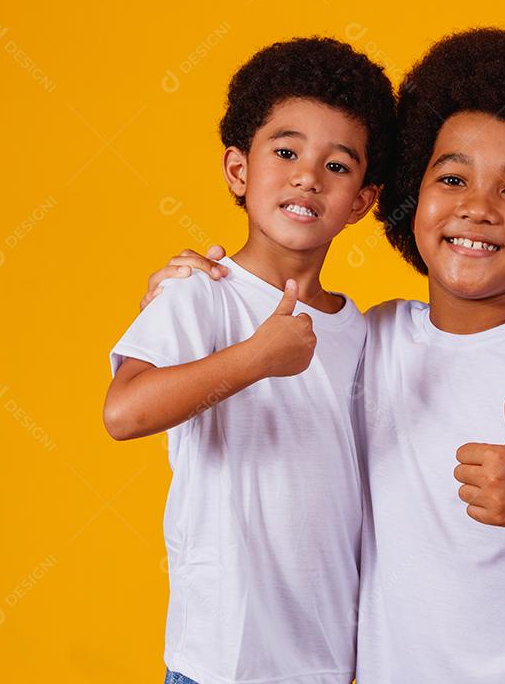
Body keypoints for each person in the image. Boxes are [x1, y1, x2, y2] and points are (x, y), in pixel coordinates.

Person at [139, 29, 505, 683]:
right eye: (452, 178)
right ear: (408, 200)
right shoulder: (367, 339)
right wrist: (200, 286)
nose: (478, 208)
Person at [103, 37, 396, 684]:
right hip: (222, 664)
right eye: (286, 152)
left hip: (326, 666)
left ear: (361, 201)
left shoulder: (363, 333)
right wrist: (255, 358)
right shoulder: (199, 293)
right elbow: (124, 412)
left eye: (337, 165)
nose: (308, 177)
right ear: (238, 170)